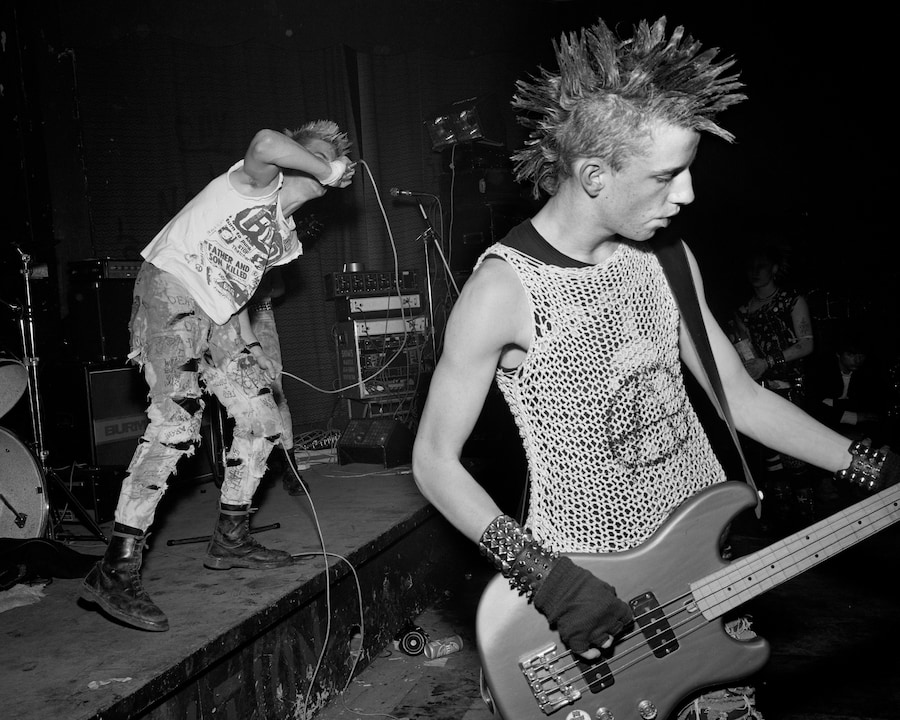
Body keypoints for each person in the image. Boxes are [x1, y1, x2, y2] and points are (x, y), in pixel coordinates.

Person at [411, 16, 899, 720]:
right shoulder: (504, 291)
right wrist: (548, 581)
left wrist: (869, 467)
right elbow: (433, 461)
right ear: (596, 176)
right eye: (669, 175)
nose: (688, 194)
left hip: (704, 578)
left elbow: (740, 397)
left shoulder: (668, 258)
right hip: (585, 607)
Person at [79, 121, 355, 632]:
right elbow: (267, 140)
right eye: (310, 154)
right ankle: (115, 567)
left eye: (323, 159)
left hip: (220, 314)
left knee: (260, 414)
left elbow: (240, 287)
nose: (314, 163)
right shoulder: (255, 181)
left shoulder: (283, 233)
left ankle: (230, 538)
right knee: (177, 422)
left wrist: (252, 350)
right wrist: (327, 163)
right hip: (172, 289)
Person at [733, 245, 818, 529]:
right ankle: (783, 528)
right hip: (762, 392)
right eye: (750, 266)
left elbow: (807, 344)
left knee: (795, 458)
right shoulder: (743, 310)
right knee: (771, 462)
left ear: (773, 267)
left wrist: (768, 361)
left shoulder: (791, 300)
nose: (755, 272)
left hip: (792, 388)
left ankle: (811, 526)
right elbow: (746, 353)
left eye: (761, 265)